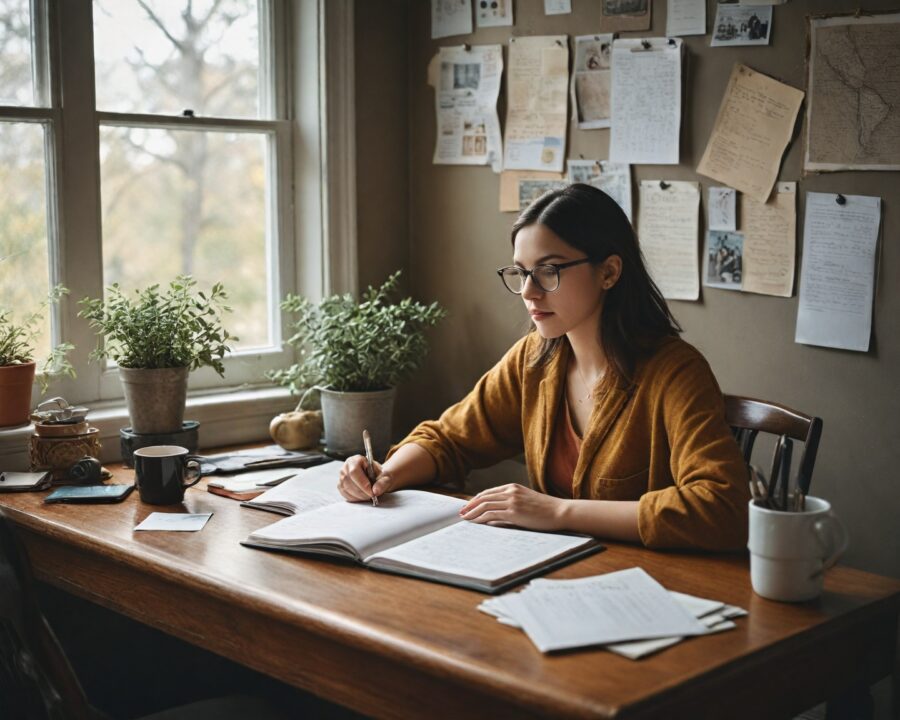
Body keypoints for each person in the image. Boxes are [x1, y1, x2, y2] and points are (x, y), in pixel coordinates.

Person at [338, 184, 750, 550]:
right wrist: (384, 474)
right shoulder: (534, 359)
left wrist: (557, 512)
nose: (529, 292)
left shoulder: (675, 373)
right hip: (549, 571)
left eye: (549, 271)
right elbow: (450, 439)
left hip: (654, 588)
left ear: (609, 271)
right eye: (521, 273)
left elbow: (721, 507)